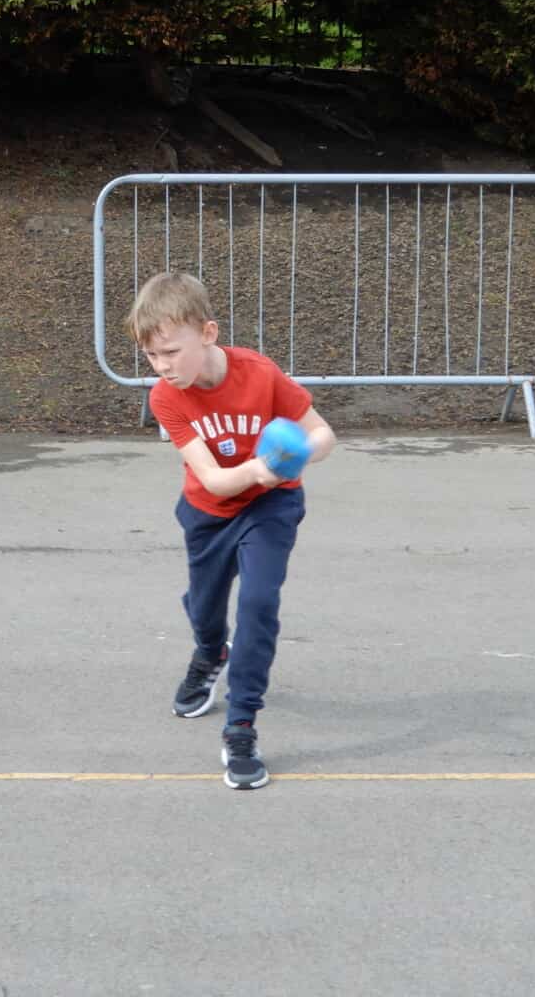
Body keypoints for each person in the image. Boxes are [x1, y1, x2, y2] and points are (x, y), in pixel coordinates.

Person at [124, 271, 336, 789]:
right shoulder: (166, 398)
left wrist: (295, 457)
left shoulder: (259, 374)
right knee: (205, 609)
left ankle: (241, 725)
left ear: (208, 333)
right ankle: (209, 653)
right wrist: (261, 467)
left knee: (258, 604)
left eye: (172, 352)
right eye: (152, 356)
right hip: (209, 512)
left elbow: (322, 433)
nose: (162, 366)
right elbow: (216, 481)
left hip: (270, 508)